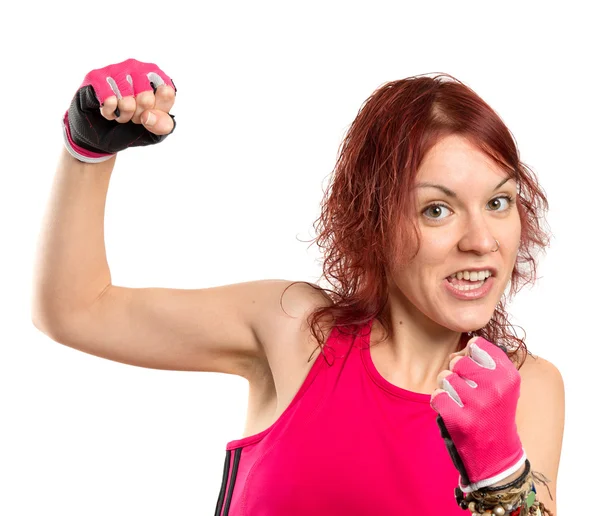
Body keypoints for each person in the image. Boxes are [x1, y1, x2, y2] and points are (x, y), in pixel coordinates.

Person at [32, 59, 564, 515]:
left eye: (498, 202)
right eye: (437, 210)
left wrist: (502, 473)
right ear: (374, 221)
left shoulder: (528, 388)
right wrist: (88, 151)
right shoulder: (297, 330)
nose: (481, 241)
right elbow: (75, 310)